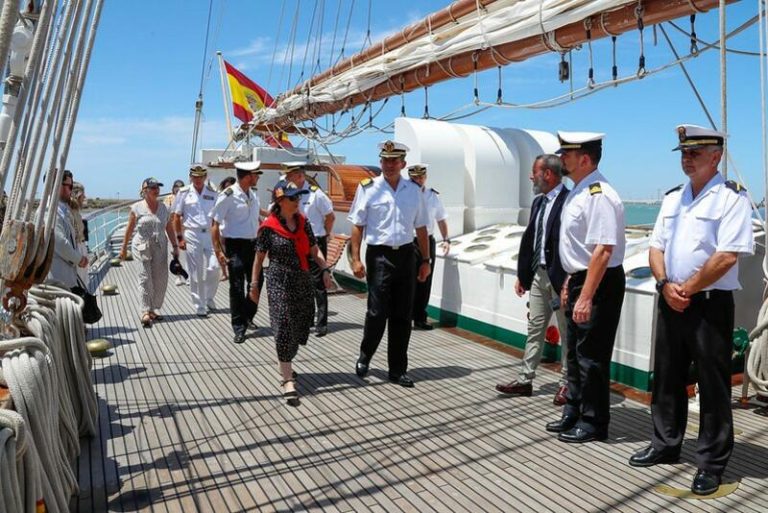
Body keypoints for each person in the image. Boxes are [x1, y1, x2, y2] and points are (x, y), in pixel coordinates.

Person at [628, 125, 754, 495]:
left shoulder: (732, 199)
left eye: (695, 153)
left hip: (708, 306)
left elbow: (727, 255)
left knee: (713, 386)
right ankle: (666, 444)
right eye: (683, 152)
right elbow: (656, 248)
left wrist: (687, 288)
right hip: (671, 299)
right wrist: (666, 285)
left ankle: (712, 463)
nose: (687, 158)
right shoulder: (672, 199)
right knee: (667, 377)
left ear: (715, 157)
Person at [545, 131, 626, 443]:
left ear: (585, 159)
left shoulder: (599, 194)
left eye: (567, 153)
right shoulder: (578, 190)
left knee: (591, 356)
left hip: (599, 282)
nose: (562, 158)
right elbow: (578, 248)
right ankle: (574, 411)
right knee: (575, 355)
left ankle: (594, 422)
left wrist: (587, 295)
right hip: (580, 278)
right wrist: (570, 282)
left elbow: (603, 250)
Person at [348, 140, 431, 388]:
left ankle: (397, 369)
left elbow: (421, 228)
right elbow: (357, 225)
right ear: (380, 162)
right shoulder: (368, 188)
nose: (389, 165)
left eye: (394, 160)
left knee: (402, 315)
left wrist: (425, 260)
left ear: (403, 163)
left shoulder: (414, 190)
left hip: (407, 255)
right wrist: (355, 258)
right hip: (379, 256)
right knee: (376, 312)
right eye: (385, 160)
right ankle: (366, 355)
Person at [250, 179, 332, 406]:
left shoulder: (304, 223)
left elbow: (315, 250)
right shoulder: (268, 227)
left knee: (300, 326)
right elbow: (258, 260)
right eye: (293, 198)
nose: (298, 201)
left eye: (299, 197)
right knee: (284, 326)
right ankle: (287, 379)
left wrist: (325, 269)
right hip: (278, 280)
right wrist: (254, 286)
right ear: (280, 200)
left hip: (302, 279)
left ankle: (285, 358)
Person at [496, 154, 570, 405]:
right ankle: (525, 380)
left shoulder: (570, 201)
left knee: (567, 332)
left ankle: (566, 384)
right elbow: (531, 241)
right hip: (539, 274)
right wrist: (523, 275)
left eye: (534, 172)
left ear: (547, 174)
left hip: (561, 278)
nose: (531, 177)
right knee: (535, 327)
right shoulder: (538, 203)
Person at [210, 161, 264, 344]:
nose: (257, 177)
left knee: (257, 282)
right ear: (248, 176)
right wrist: (219, 252)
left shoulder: (253, 195)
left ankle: (248, 315)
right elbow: (215, 225)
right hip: (235, 246)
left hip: (253, 245)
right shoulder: (228, 196)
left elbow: (257, 218)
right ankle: (239, 327)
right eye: (256, 174)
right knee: (237, 287)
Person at [282, 161, 336, 336]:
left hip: (316, 242)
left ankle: (321, 323)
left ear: (299, 176)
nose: (286, 179)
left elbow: (330, 216)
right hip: (297, 242)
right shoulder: (290, 194)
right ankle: (307, 318)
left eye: (289, 176)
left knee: (318, 283)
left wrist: (325, 235)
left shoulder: (316, 194)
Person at [119, 178, 179, 327]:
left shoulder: (164, 208)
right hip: (142, 247)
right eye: (152, 187)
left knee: (160, 280)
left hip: (160, 247)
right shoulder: (137, 208)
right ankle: (145, 311)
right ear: (144, 191)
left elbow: (169, 228)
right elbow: (129, 229)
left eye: (158, 187)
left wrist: (175, 246)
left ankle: (153, 308)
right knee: (145, 278)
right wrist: (123, 247)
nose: (156, 190)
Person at [172, 164, 220, 317]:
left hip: (210, 234)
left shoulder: (213, 193)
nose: (198, 179)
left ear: (205, 177)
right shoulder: (184, 193)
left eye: (201, 176)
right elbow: (176, 216)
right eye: (195, 176)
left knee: (215, 267)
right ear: (190, 177)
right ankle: (199, 304)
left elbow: (217, 216)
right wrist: (180, 238)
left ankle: (209, 297)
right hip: (192, 234)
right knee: (196, 272)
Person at [406, 163, 449, 331]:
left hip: (427, 241)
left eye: (420, 177)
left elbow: (441, 218)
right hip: (408, 241)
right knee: (407, 281)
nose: (418, 180)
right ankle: (404, 317)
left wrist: (446, 239)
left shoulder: (432, 196)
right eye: (414, 178)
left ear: (425, 177)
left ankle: (419, 318)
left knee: (425, 281)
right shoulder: (403, 194)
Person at [48, 170, 88, 289]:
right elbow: (60, 242)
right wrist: (79, 259)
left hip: (68, 270)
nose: (71, 191)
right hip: (59, 274)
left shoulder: (62, 209)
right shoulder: (50, 212)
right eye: (69, 186)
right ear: (57, 186)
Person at [70, 181, 89, 284]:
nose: (84, 197)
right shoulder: (70, 212)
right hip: (77, 249)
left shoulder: (75, 211)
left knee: (84, 279)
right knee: (82, 281)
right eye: (82, 195)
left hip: (80, 247)